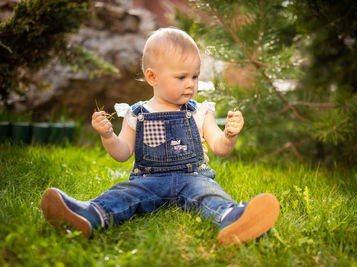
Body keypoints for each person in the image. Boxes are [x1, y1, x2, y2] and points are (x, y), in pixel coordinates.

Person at [41, 28, 280, 246]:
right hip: (148, 180)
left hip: (193, 178)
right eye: (181, 77)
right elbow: (122, 154)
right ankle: (91, 215)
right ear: (152, 77)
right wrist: (108, 136)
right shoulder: (136, 114)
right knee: (124, 194)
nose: (191, 85)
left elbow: (220, 148)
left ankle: (232, 218)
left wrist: (229, 134)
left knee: (210, 195)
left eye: (195, 77)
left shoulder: (199, 111)